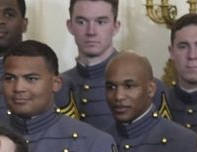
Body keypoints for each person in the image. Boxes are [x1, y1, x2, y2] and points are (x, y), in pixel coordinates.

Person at [60, 0, 166, 135]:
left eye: (101, 22)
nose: (91, 31)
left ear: (116, 27)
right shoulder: (58, 85)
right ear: (70, 26)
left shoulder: (147, 86)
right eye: (82, 22)